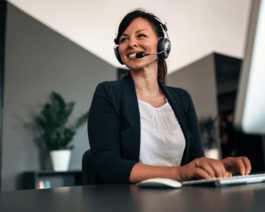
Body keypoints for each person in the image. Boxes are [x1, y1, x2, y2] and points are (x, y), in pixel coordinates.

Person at [87, 9, 251, 184]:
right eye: (123, 39)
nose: (131, 43)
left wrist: (216, 167)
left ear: (162, 45)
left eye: (140, 35)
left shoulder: (182, 98)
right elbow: (108, 167)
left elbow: (194, 160)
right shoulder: (108, 93)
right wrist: (180, 173)